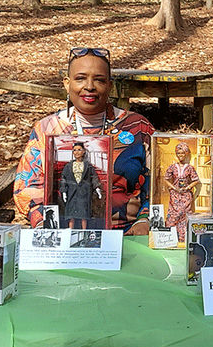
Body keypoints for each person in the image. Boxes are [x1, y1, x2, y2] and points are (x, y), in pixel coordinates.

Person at [13, 47, 155, 234]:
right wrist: (43, 222)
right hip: (62, 232)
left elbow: (157, 181)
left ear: (110, 85)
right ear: (67, 84)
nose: (89, 86)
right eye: (80, 78)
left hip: (127, 232)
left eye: (99, 80)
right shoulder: (47, 129)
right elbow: (26, 186)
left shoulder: (137, 127)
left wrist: (145, 219)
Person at [58, 142, 104, 229]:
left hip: (84, 192)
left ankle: (84, 231)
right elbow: (64, 179)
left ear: (84, 151)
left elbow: (93, 177)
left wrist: (97, 188)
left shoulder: (88, 166)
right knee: (71, 213)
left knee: (84, 213)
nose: (77, 152)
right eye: (75, 150)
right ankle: (70, 230)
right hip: (72, 192)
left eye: (79, 150)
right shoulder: (68, 166)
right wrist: (63, 191)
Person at [163, 141, 199, 242]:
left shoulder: (190, 168)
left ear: (186, 153)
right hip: (175, 195)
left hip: (186, 195)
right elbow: (166, 179)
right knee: (173, 215)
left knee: (184, 215)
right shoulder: (172, 167)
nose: (180, 155)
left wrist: (188, 187)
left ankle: (183, 238)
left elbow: (196, 180)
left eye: (182, 153)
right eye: (178, 153)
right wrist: (173, 188)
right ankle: (170, 238)